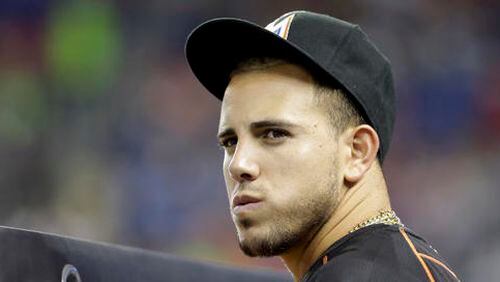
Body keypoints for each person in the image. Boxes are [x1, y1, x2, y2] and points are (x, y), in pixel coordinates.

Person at [185, 10, 460, 281]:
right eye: (230, 142)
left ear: (357, 152)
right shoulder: (390, 264)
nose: (238, 164)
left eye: (273, 134)